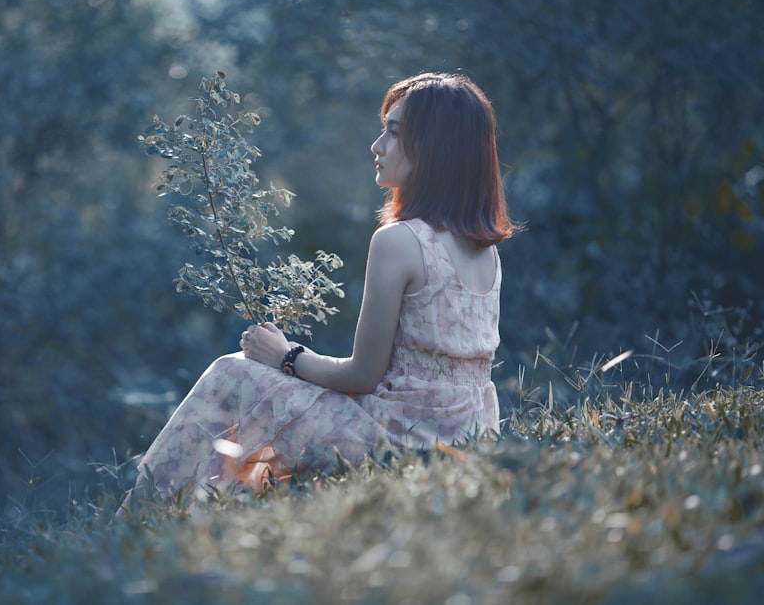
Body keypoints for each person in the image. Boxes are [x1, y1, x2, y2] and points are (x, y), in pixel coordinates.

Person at [121, 72, 518, 512]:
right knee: (255, 382)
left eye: (393, 132)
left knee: (232, 372)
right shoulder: (485, 249)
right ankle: (215, 504)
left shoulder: (400, 241)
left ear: (436, 148)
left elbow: (363, 375)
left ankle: (142, 516)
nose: (377, 145)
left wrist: (285, 356)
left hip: (402, 446)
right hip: (466, 441)